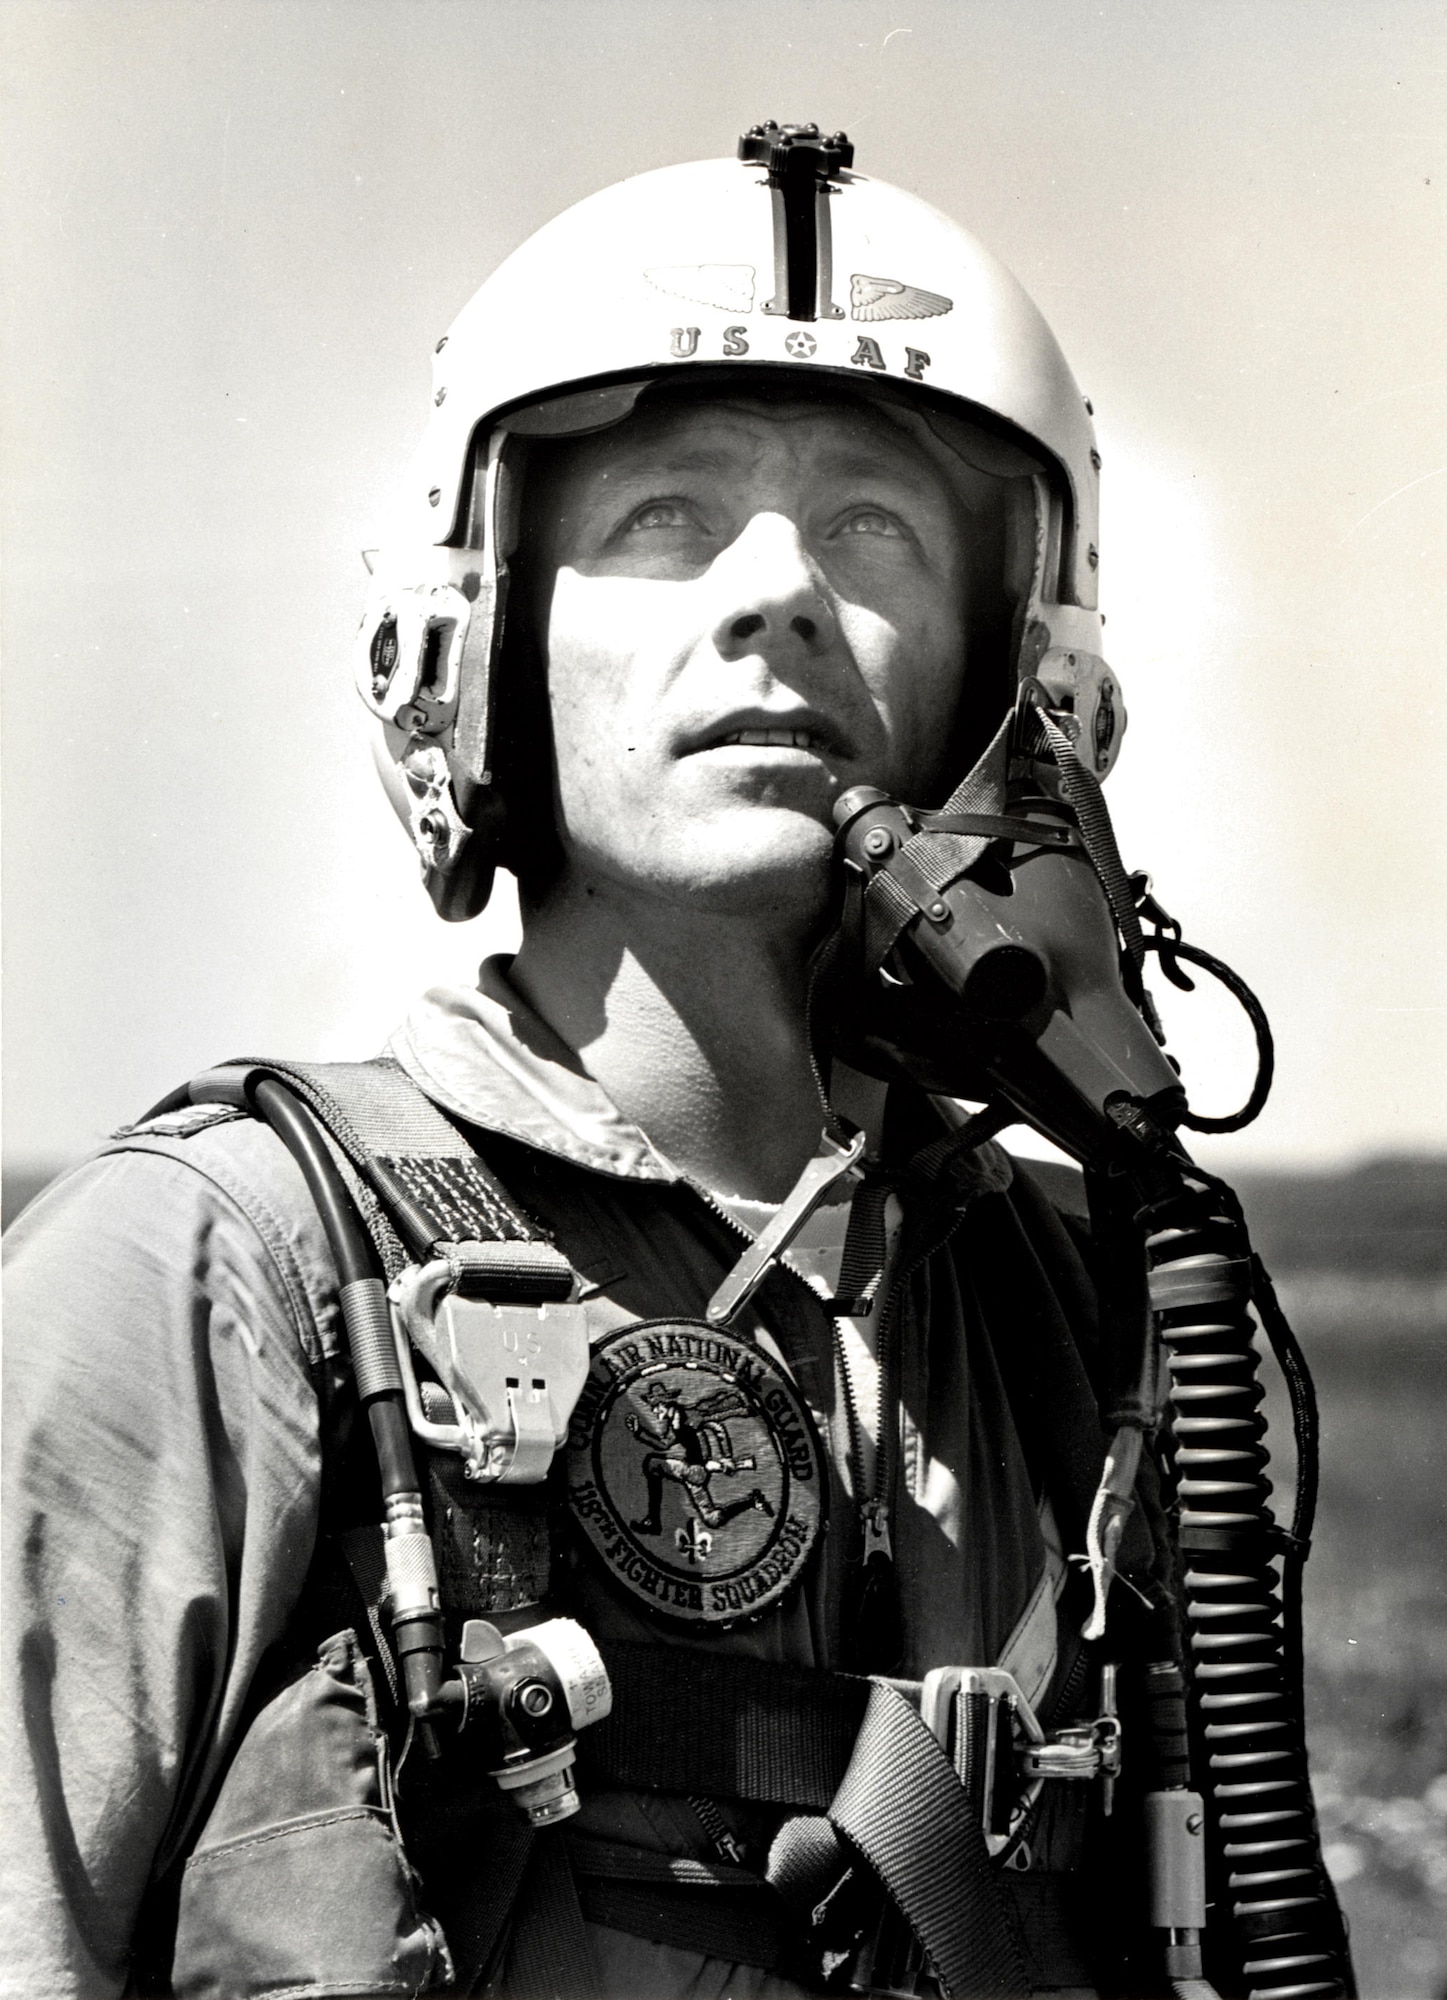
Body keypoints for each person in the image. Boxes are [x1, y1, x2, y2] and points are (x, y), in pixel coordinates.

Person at [2, 125, 1350, 2000]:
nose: (776, 593)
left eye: (872, 526)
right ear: (480, 648)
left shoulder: (1090, 1319)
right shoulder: (215, 1280)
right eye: (664, 519)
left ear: (1018, 674)